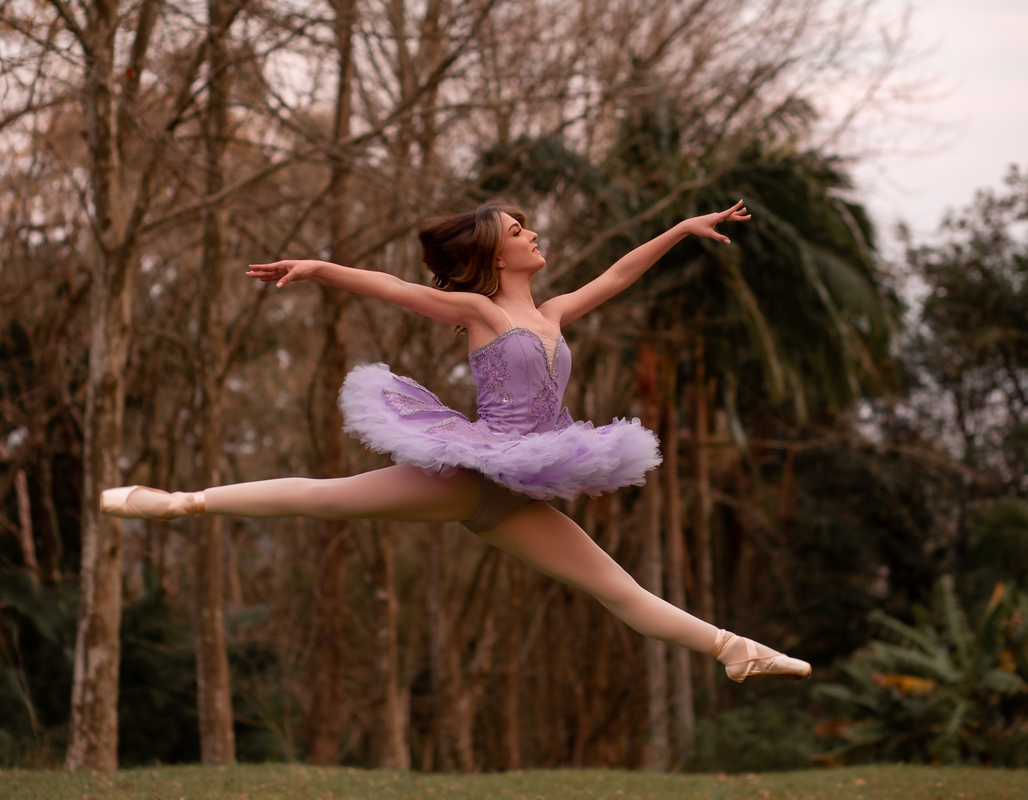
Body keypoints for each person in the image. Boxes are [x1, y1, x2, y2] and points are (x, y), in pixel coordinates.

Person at [101, 200, 810, 682]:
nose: (532, 235)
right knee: (329, 499)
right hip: (471, 470)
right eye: (517, 230)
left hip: (515, 493)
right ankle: (176, 503)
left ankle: (732, 650)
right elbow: (391, 287)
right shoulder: (477, 311)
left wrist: (683, 229)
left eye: (528, 227)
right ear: (497, 255)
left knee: (614, 588)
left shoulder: (556, 313)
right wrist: (318, 268)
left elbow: (620, 272)